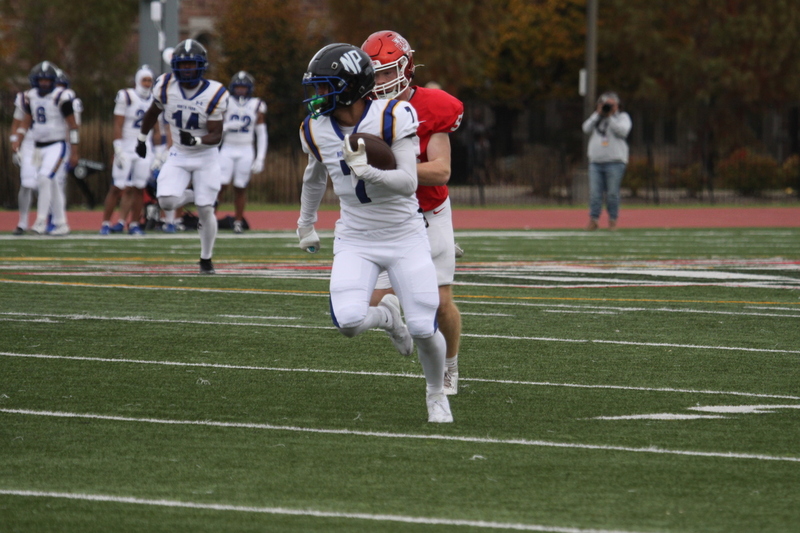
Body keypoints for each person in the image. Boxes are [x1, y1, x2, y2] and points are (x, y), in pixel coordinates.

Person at [298, 43, 452, 423]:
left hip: (404, 234)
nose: (318, 95)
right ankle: (387, 318)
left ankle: (436, 394)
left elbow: (408, 182)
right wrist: (305, 223)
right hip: (356, 237)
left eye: (325, 86)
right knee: (349, 322)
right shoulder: (314, 128)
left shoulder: (393, 116)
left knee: (423, 326)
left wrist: (368, 172)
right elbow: (314, 177)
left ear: (349, 86)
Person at [362, 31, 464, 396]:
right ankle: (394, 323)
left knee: (440, 303)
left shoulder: (432, 106)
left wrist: (391, 169)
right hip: (386, 216)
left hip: (428, 212)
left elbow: (441, 170)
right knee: (368, 305)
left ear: (406, 68)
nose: (381, 81)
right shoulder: (360, 110)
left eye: (388, 72)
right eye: (375, 74)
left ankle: (449, 367)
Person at [135, 39, 229, 273]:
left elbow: (216, 135)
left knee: (206, 210)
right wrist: (141, 138)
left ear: (201, 66)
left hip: (206, 156)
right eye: (183, 65)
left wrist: (197, 140)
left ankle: (206, 259)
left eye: (191, 64)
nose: (187, 69)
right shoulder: (165, 86)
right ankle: (198, 196)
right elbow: (152, 112)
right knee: (165, 200)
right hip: (178, 154)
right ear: (175, 66)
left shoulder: (214, 92)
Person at [11, 61, 80, 236]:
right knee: (53, 184)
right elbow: (26, 121)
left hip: (56, 145)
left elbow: (73, 126)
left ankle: (40, 221)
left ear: (53, 81)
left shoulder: (61, 97)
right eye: (41, 80)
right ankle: (62, 223)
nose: (44, 83)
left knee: (44, 178)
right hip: (38, 146)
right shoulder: (31, 96)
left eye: (47, 80)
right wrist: (18, 139)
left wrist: (74, 151)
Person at [100, 65, 157, 235]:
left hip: (145, 147)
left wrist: (159, 152)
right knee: (117, 187)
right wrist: (117, 147)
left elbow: (157, 128)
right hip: (126, 146)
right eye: (144, 80)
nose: (147, 83)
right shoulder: (126, 96)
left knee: (139, 187)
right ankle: (105, 223)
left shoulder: (155, 98)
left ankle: (134, 224)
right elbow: (118, 124)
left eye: (149, 80)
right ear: (138, 80)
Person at [218, 70, 267, 233]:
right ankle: (209, 219)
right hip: (228, 147)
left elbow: (262, 133)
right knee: (220, 185)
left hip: (246, 148)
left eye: (243, 87)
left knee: (240, 187)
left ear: (249, 89)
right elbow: (214, 127)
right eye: (238, 87)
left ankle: (238, 221)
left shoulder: (256, 104)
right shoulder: (226, 102)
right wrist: (226, 127)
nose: (240, 90)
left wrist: (260, 158)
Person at [581, 91, 632, 230]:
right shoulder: (596, 117)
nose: (608, 107)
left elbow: (623, 131)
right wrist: (598, 114)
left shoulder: (622, 117)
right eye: (605, 104)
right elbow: (585, 128)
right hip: (596, 162)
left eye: (611, 104)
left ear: (617, 105)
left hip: (615, 161)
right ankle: (594, 219)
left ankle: (612, 219)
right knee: (595, 193)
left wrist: (610, 117)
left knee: (612, 193)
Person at [10, 88, 37, 235]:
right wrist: (15, 144)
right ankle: (22, 222)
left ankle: (47, 221)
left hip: (50, 143)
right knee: (27, 182)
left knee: (45, 183)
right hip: (29, 143)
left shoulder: (59, 97)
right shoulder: (26, 97)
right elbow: (17, 124)